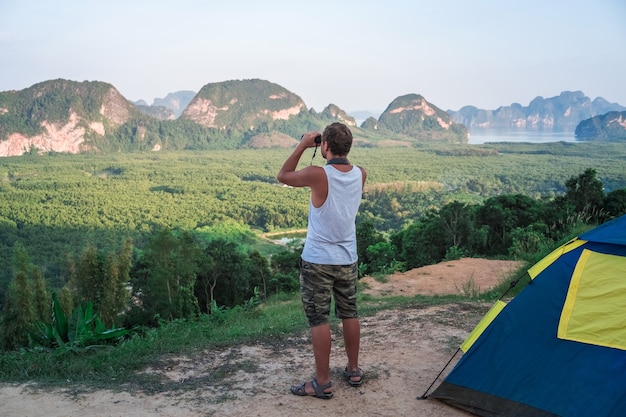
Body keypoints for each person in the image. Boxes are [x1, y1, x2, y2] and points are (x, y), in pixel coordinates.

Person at [277, 122, 367, 399]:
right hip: (347, 258)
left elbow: (283, 175)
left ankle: (322, 382)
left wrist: (304, 144)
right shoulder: (361, 174)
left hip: (318, 260)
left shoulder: (318, 175)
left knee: (319, 319)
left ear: (324, 146)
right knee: (349, 312)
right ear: (348, 147)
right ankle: (353, 370)